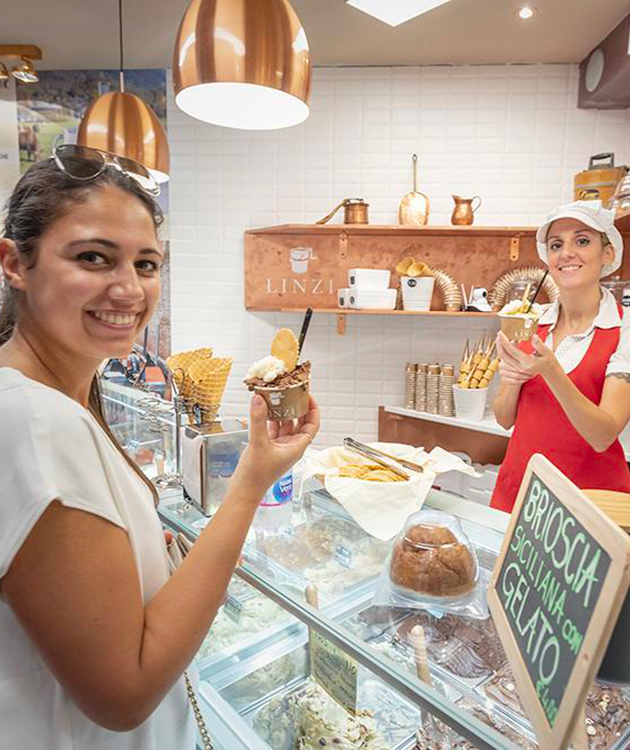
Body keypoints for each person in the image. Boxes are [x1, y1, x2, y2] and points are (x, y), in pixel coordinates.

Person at [0, 146, 320, 749]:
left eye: (147, 265)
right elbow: (126, 693)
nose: (129, 289)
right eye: (93, 258)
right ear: (15, 263)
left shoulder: (59, 397)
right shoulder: (38, 422)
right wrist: (251, 479)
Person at [491, 200, 630, 513]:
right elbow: (503, 419)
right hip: (522, 493)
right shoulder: (529, 320)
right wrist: (512, 380)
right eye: (556, 245)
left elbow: (603, 436)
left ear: (608, 253)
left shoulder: (624, 329)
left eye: (582, 241)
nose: (566, 253)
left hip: (589, 507)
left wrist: (552, 371)